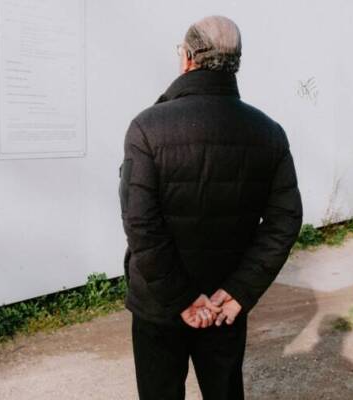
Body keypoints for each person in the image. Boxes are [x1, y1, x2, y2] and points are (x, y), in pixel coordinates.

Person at [118, 15, 303, 400]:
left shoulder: (147, 128)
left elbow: (140, 224)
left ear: (187, 58)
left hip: (158, 303)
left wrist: (182, 299)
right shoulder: (269, 133)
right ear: (235, 63)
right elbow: (285, 220)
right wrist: (239, 291)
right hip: (224, 305)